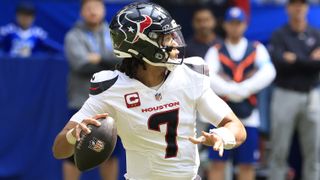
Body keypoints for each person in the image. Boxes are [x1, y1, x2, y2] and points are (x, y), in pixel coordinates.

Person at [53, 2, 247, 180]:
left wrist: (223, 136)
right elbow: (59, 149)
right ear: (142, 45)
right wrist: (74, 135)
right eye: (166, 37)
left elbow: (236, 127)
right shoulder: (112, 89)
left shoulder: (190, 75)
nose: (175, 43)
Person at [204, 7, 276, 180]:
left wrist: (244, 88)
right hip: (220, 116)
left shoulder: (256, 48)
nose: (235, 27)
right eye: (232, 23)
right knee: (218, 163)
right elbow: (208, 75)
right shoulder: (216, 50)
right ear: (225, 25)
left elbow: (269, 72)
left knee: (247, 164)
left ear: (245, 25)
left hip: (249, 115)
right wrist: (233, 90)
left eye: (239, 23)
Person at [64, 0, 121, 179]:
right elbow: (81, 65)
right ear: (81, 12)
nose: (93, 11)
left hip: (112, 102)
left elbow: (121, 61)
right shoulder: (73, 36)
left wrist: (98, 58)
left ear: (104, 10)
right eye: (88, 8)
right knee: (74, 153)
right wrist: (108, 62)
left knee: (111, 153)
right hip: (82, 102)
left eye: (96, 7)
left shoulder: (114, 34)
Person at [268, 0, 320, 179]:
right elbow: (278, 63)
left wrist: (295, 59)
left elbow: (317, 65)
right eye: (294, 4)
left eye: (302, 4)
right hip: (285, 93)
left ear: (307, 7)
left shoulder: (316, 33)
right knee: (278, 150)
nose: (298, 7)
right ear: (288, 7)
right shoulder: (279, 34)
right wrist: (308, 59)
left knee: (314, 153)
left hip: (312, 94)